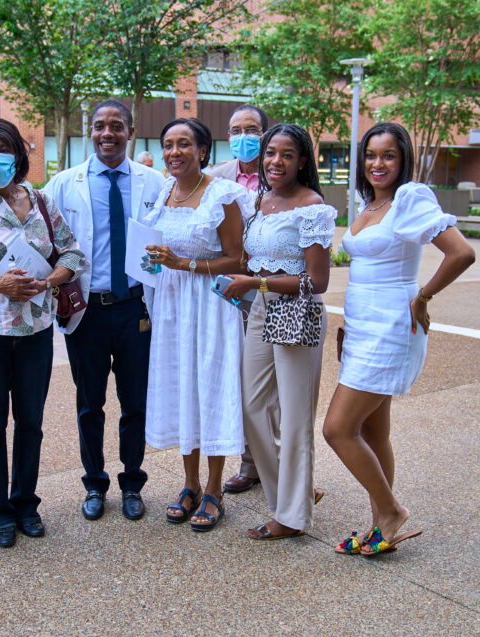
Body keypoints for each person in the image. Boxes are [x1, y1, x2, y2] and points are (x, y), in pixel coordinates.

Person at [322, 122, 474, 555]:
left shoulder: (410, 198)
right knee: (373, 431)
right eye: (370, 155)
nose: (377, 163)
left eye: (388, 155)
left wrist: (424, 296)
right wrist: (349, 328)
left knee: (337, 429)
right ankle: (380, 527)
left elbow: (461, 252)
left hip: (391, 327)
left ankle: (390, 511)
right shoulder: (370, 203)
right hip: (362, 327)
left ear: (403, 158)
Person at [0, 118, 86, 548]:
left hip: (37, 329)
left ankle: (26, 503)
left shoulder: (40, 201)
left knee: (31, 421)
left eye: (1, 151)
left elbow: (73, 253)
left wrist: (48, 281)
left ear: (18, 154)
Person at [44, 99, 165, 522]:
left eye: (116, 126)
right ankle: (94, 483)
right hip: (87, 313)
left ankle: (132, 482)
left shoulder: (154, 184)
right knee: (88, 403)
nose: (107, 134)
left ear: (130, 132)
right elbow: (50, 245)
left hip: (136, 309)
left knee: (135, 402)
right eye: (99, 126)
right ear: (89, 132)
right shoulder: (63, 184)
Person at [221, 123, 336, 540]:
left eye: (287, 154)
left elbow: (317, 281)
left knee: (294, 417)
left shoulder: (312, 207)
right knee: (253, 410)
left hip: (296, 310)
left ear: (303, 161)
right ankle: (297, 492)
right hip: (259, 309)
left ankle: (290, 516)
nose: (275, 161)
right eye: (271, 153)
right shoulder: (259, 201)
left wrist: (256, 283)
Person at [144, 117, 250, 532]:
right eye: (168, 144)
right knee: (182, 389)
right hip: (171, 306)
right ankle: (188, 484)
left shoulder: (221, 195)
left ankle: (214, 488)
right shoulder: (163, 193)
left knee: (211, 389)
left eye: (184, 144)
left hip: (210, 305)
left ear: (203, 150)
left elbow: (238, 260)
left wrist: (182, 263)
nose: (174, 152)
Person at [207, 103, 273, 496]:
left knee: (266, 384)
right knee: (235, 379)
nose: (242, 136)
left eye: (250, 129)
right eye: (234, 130)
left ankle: (267, 464)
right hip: (224, 292)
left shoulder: (279, 174)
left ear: (265, 133)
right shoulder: (215, 177)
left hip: (266, 291)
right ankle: (249, 463)